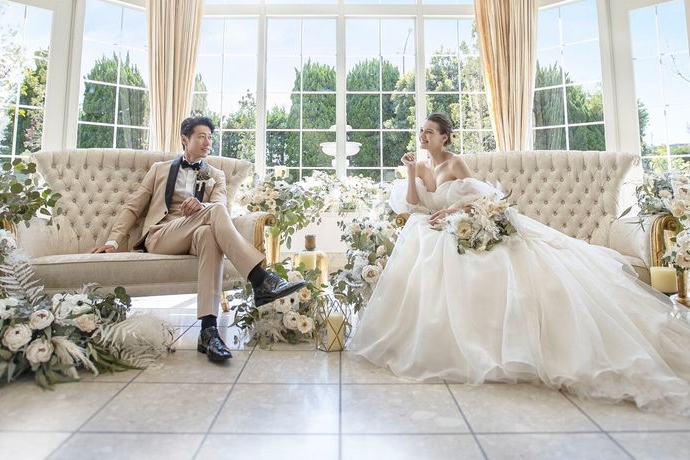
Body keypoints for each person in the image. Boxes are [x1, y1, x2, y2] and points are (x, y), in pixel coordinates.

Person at [350, 112, 690, 413]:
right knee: (418, 234)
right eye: (421, 130)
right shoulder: (422, 166)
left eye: (429, 131)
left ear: (445, 137)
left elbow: (483, 200)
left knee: (491, 260)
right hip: (435, 226)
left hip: (464, 221)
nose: (423, 135)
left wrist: (451, 211)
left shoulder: (455, 164)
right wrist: (411, 171)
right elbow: (413, 205)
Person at [91, 116, 306, 363]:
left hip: (194, 236)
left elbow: (219, 205)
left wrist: (201, 205)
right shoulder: (159, 169)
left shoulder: (215, 174)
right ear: (185, 139)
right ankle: (260, 279)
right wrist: (113, 241)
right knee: (214, 213)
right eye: (201, 137)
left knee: (208, 234)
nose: (207, 142)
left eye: (210, 138)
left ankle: (208, 331)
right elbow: (133, 206)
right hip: (162, 236)